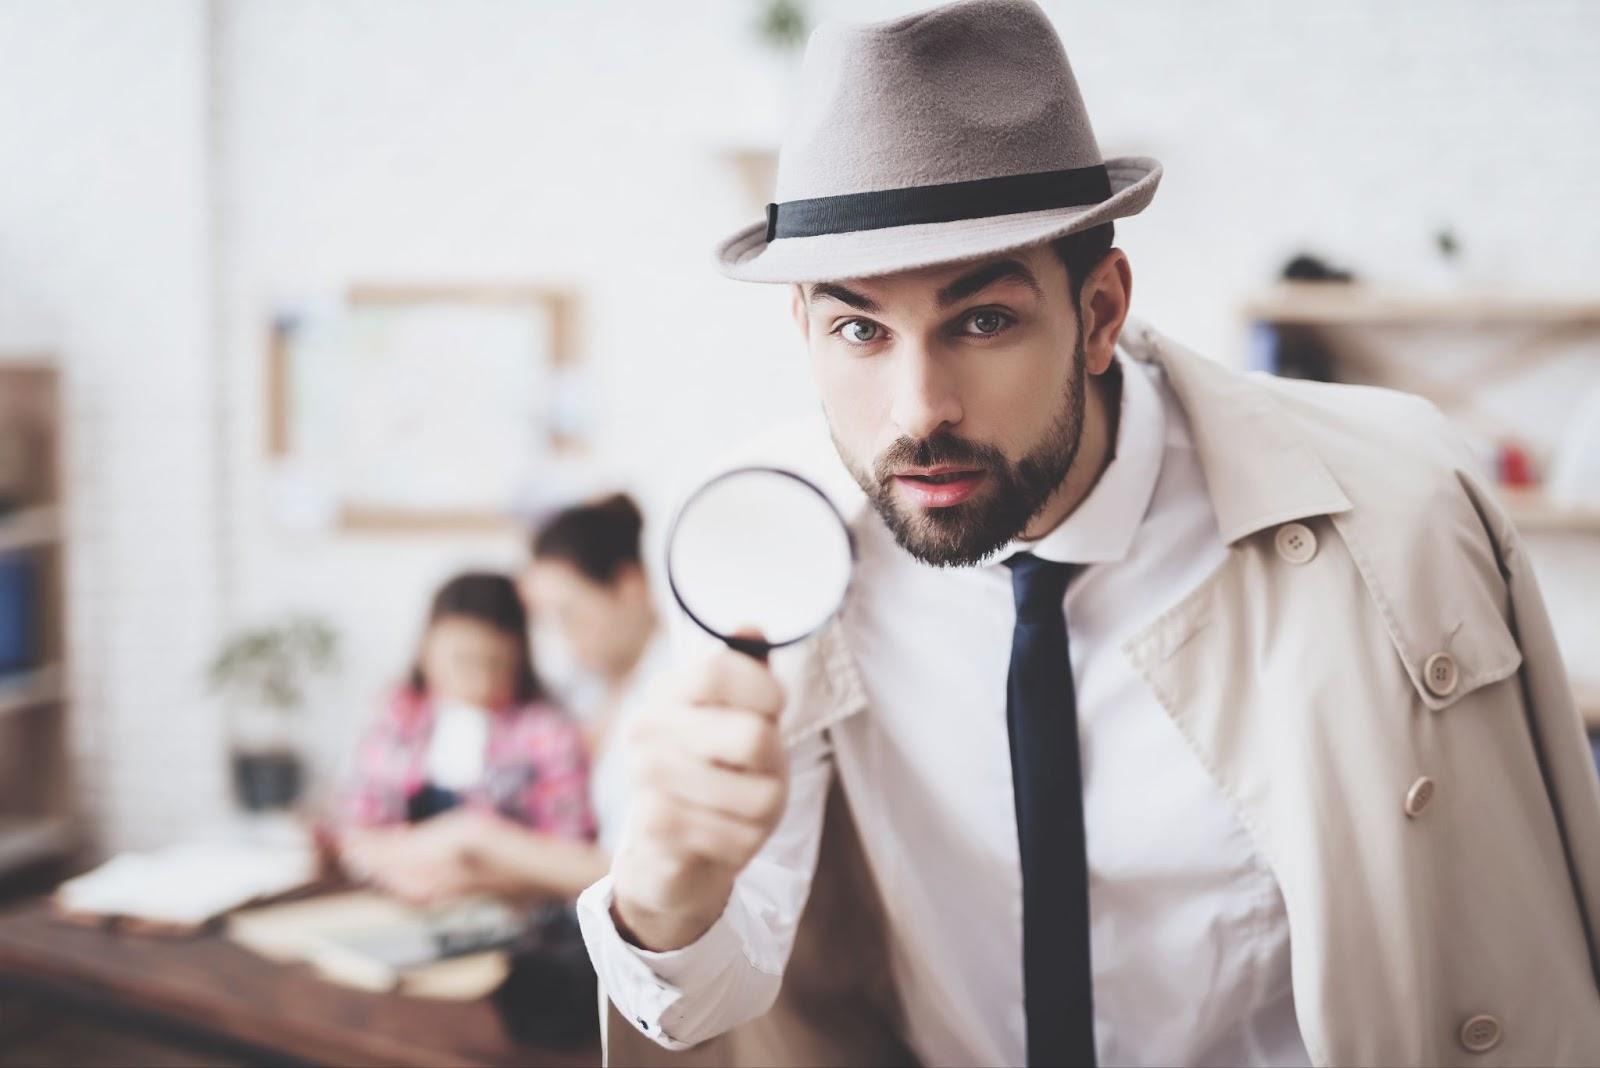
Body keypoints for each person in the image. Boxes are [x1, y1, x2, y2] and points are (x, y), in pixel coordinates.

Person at [576, 2, 1600, 1066]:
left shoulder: (1397, 505)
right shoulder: (768, 546)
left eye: (982, 320)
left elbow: (1525, 936)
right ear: (803, 329)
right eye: (859, 329)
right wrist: (660, 898)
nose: (916, 409)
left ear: (1100, 309)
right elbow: (724, 990)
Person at [339, 571, 605, 905]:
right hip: (399, 903)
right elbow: (358, 834)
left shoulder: (547, 733)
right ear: (426, 649)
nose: (478, 681)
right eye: (461, 659)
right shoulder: (398, 716)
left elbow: (573, 859)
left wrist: (476, 867)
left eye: (494, 664)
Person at [522, 493, 669, 852]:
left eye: (568, 614)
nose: (562, 637)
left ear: (630, 586)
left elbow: (627, 865)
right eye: (548, 620)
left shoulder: (672, 686)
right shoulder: (591, 687)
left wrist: (482, 848)